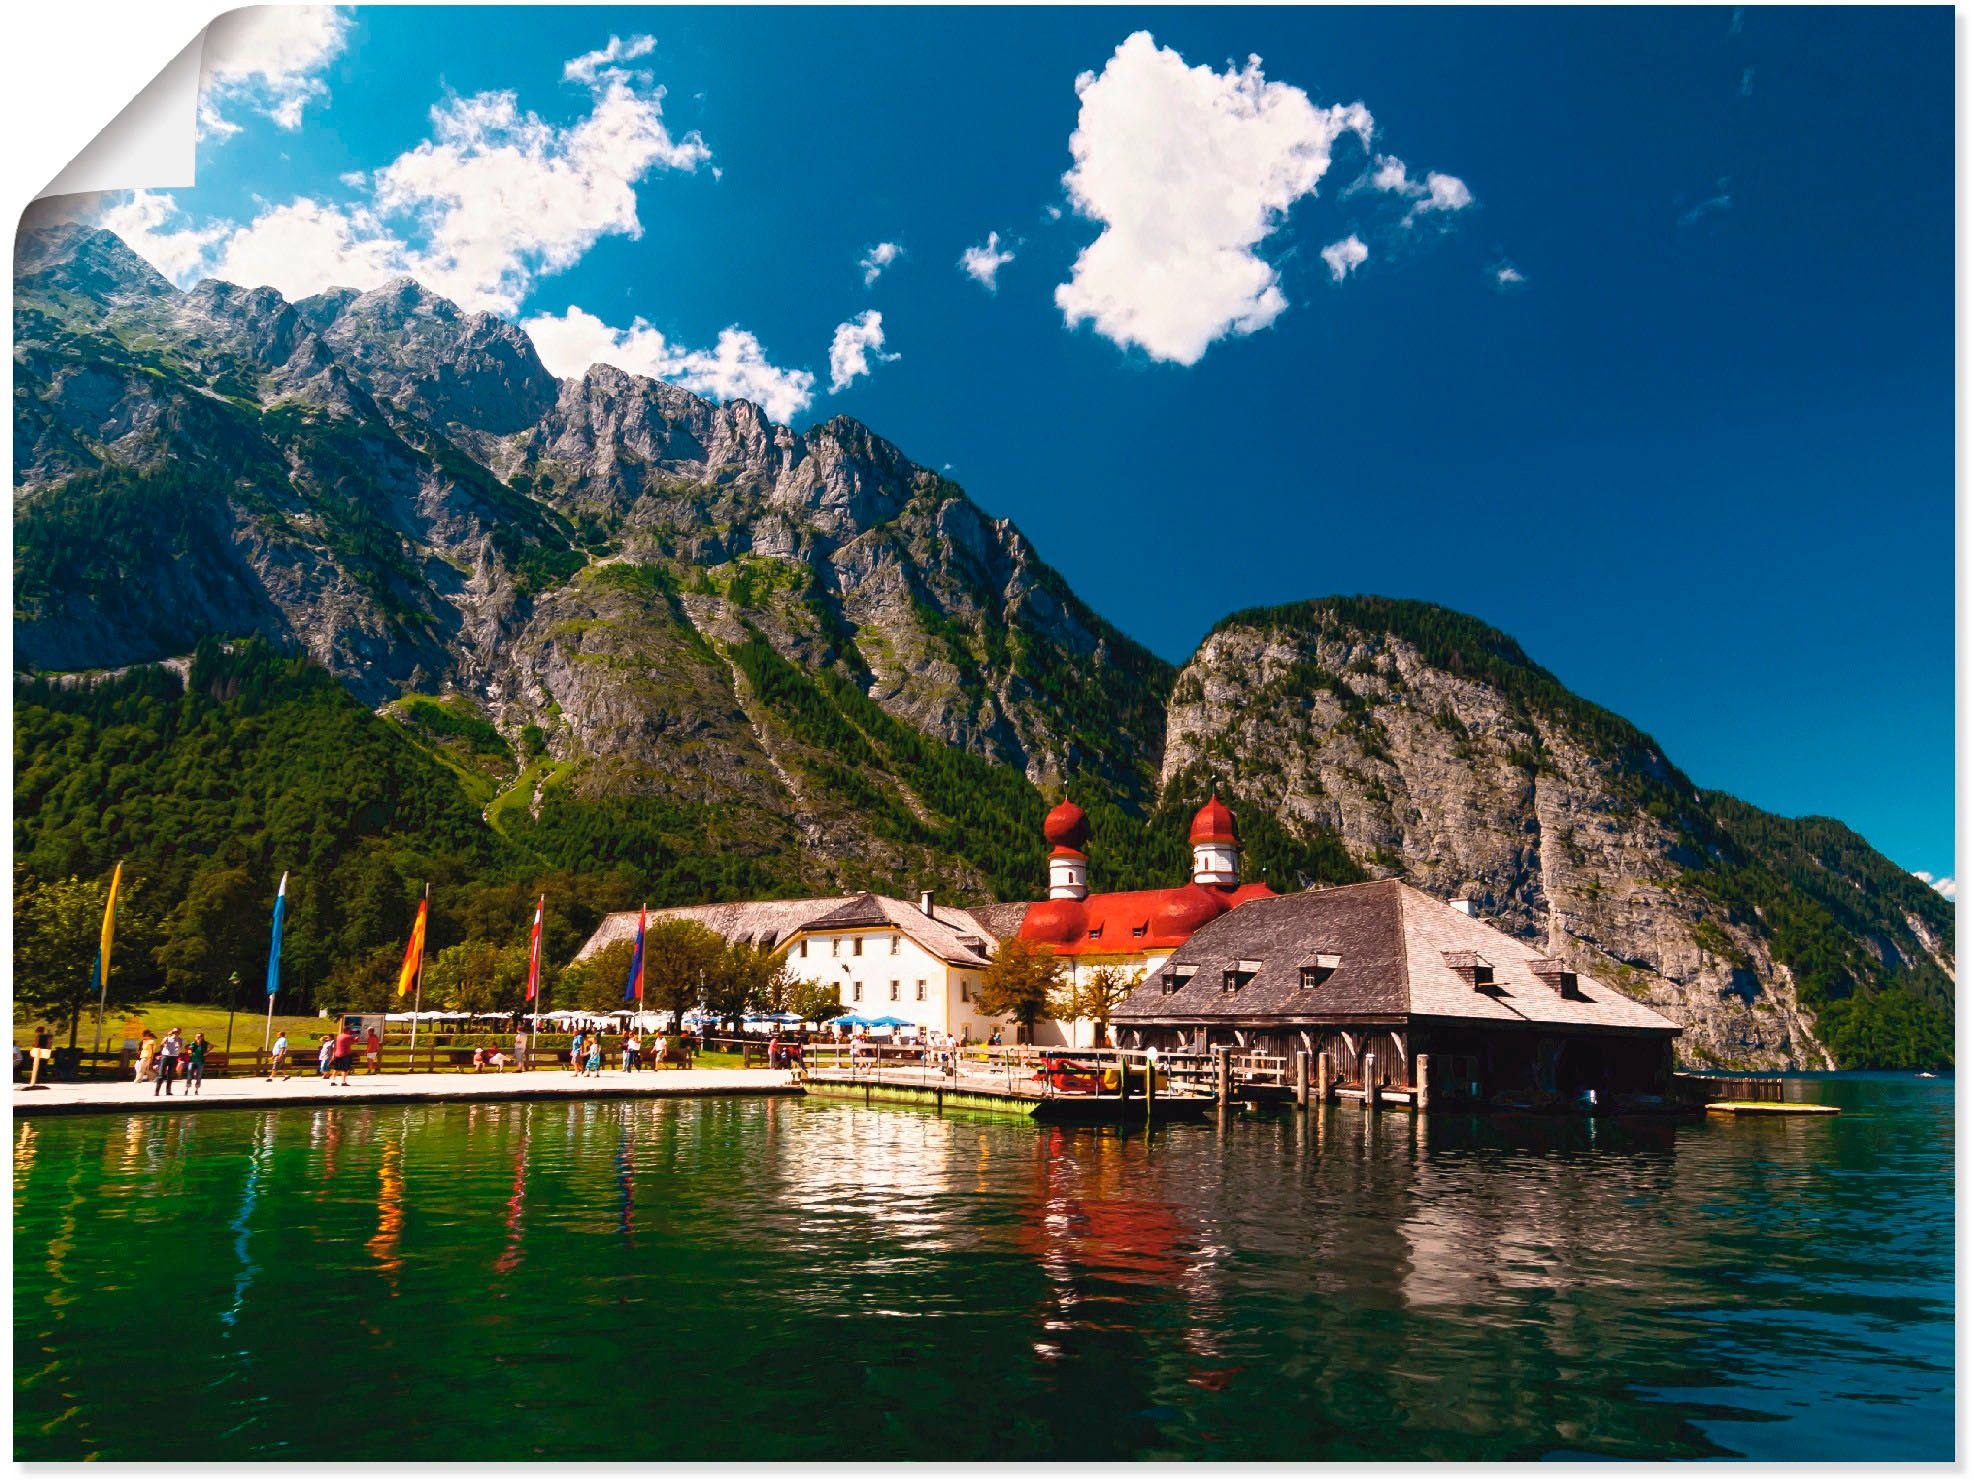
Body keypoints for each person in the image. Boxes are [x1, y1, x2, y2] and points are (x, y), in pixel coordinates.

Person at [154, 1028, 183, 1097]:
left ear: (179, 1033)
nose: (175, 1033)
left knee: (170, 1075)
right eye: (174, 1032)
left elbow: (180, 1046)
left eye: (177, 1032)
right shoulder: (167, 1038)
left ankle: (168, 1091)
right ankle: (157, 1091)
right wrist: (168, 1038)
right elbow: (162, 1044)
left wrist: (177, 1039)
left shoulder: (180, 1040)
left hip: (174, 1057)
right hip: (165, 1057)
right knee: (161, 1074)